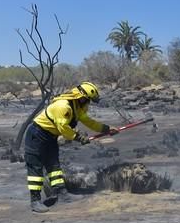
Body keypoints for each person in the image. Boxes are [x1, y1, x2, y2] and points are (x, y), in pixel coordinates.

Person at [24, 82, 118, 213]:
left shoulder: (77, 107)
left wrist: (106, 129)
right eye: (88, 101)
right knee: (36, 169)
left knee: (54, 166)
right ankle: (35, 201)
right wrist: (79, 138)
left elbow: (89, 122)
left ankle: (61, 193)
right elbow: (63, 129)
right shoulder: (63, 107)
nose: (88, 104)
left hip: (50, 136)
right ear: (82, 98)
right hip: (36, 135)